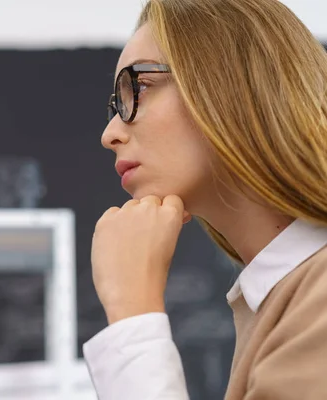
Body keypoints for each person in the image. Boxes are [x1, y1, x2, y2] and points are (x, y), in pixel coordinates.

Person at [83, 0, 327, 399]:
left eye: (137, 87)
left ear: (232, 84)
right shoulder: (276, 299)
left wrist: (134, 315)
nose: (109, 133)